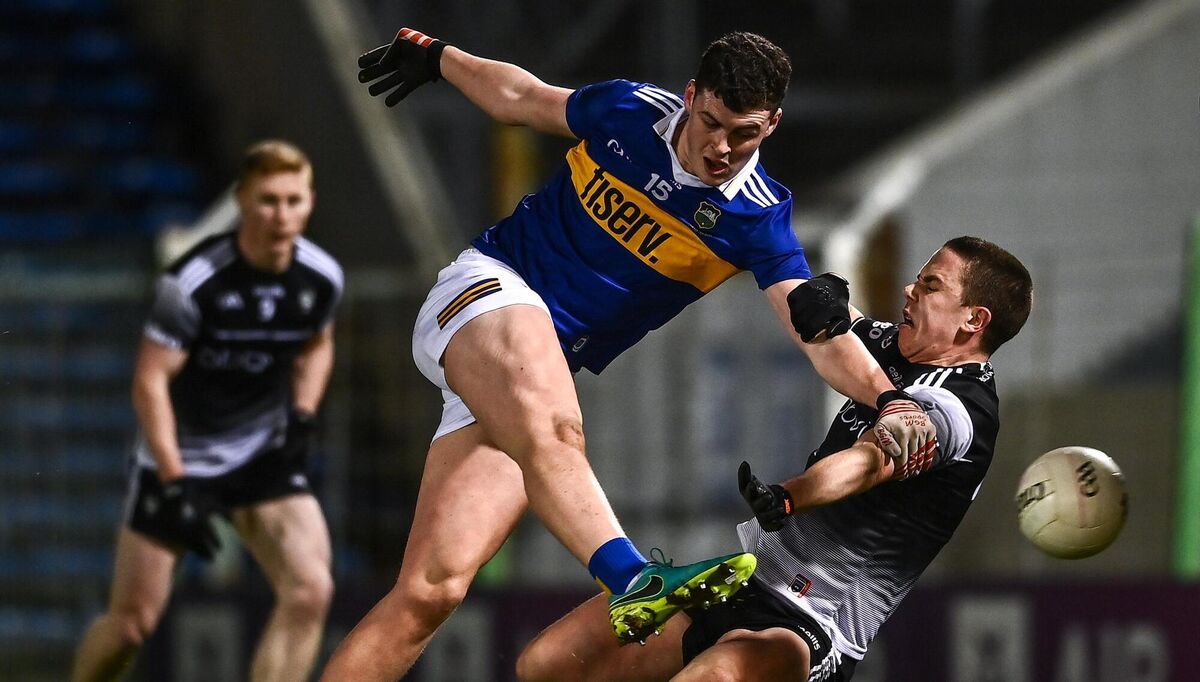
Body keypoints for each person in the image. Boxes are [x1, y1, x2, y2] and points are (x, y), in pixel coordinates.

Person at [322, 29, 937, 680]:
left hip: (528, 369)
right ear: (691, 96)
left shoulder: (759, 218)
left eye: (745, 134)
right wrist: (438, 56)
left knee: (430, 593)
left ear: (773, 124)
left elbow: (817, 335)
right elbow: (521, 97)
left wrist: (890, 400)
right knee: (558, 431)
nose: (722, 147)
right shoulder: (630, 111)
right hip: (486, 291)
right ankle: (635, 578)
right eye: (711, 123)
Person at [514, 236, 1034, 681]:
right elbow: (834, 321)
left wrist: (791, 496)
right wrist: (821, 291)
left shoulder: (958, 411)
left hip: (811, 626)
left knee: (711, 677)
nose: (909, 290)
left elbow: (869, 463)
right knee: (547, 664)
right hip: (739, 581)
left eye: (931, 286)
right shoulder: (896, 350)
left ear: (974, 320)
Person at [72, 140, 343, 682]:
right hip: (180, 459)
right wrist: (174, 479)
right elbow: (151, 379)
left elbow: (318, 343)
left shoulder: (320, 277)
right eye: (268, 200)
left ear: (310, 202)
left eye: (294, 200)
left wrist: (304, 413)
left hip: (261, 453)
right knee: (131, 625)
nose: (281, 215)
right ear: (242, 200)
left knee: (310, 591)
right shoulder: (194, 281)